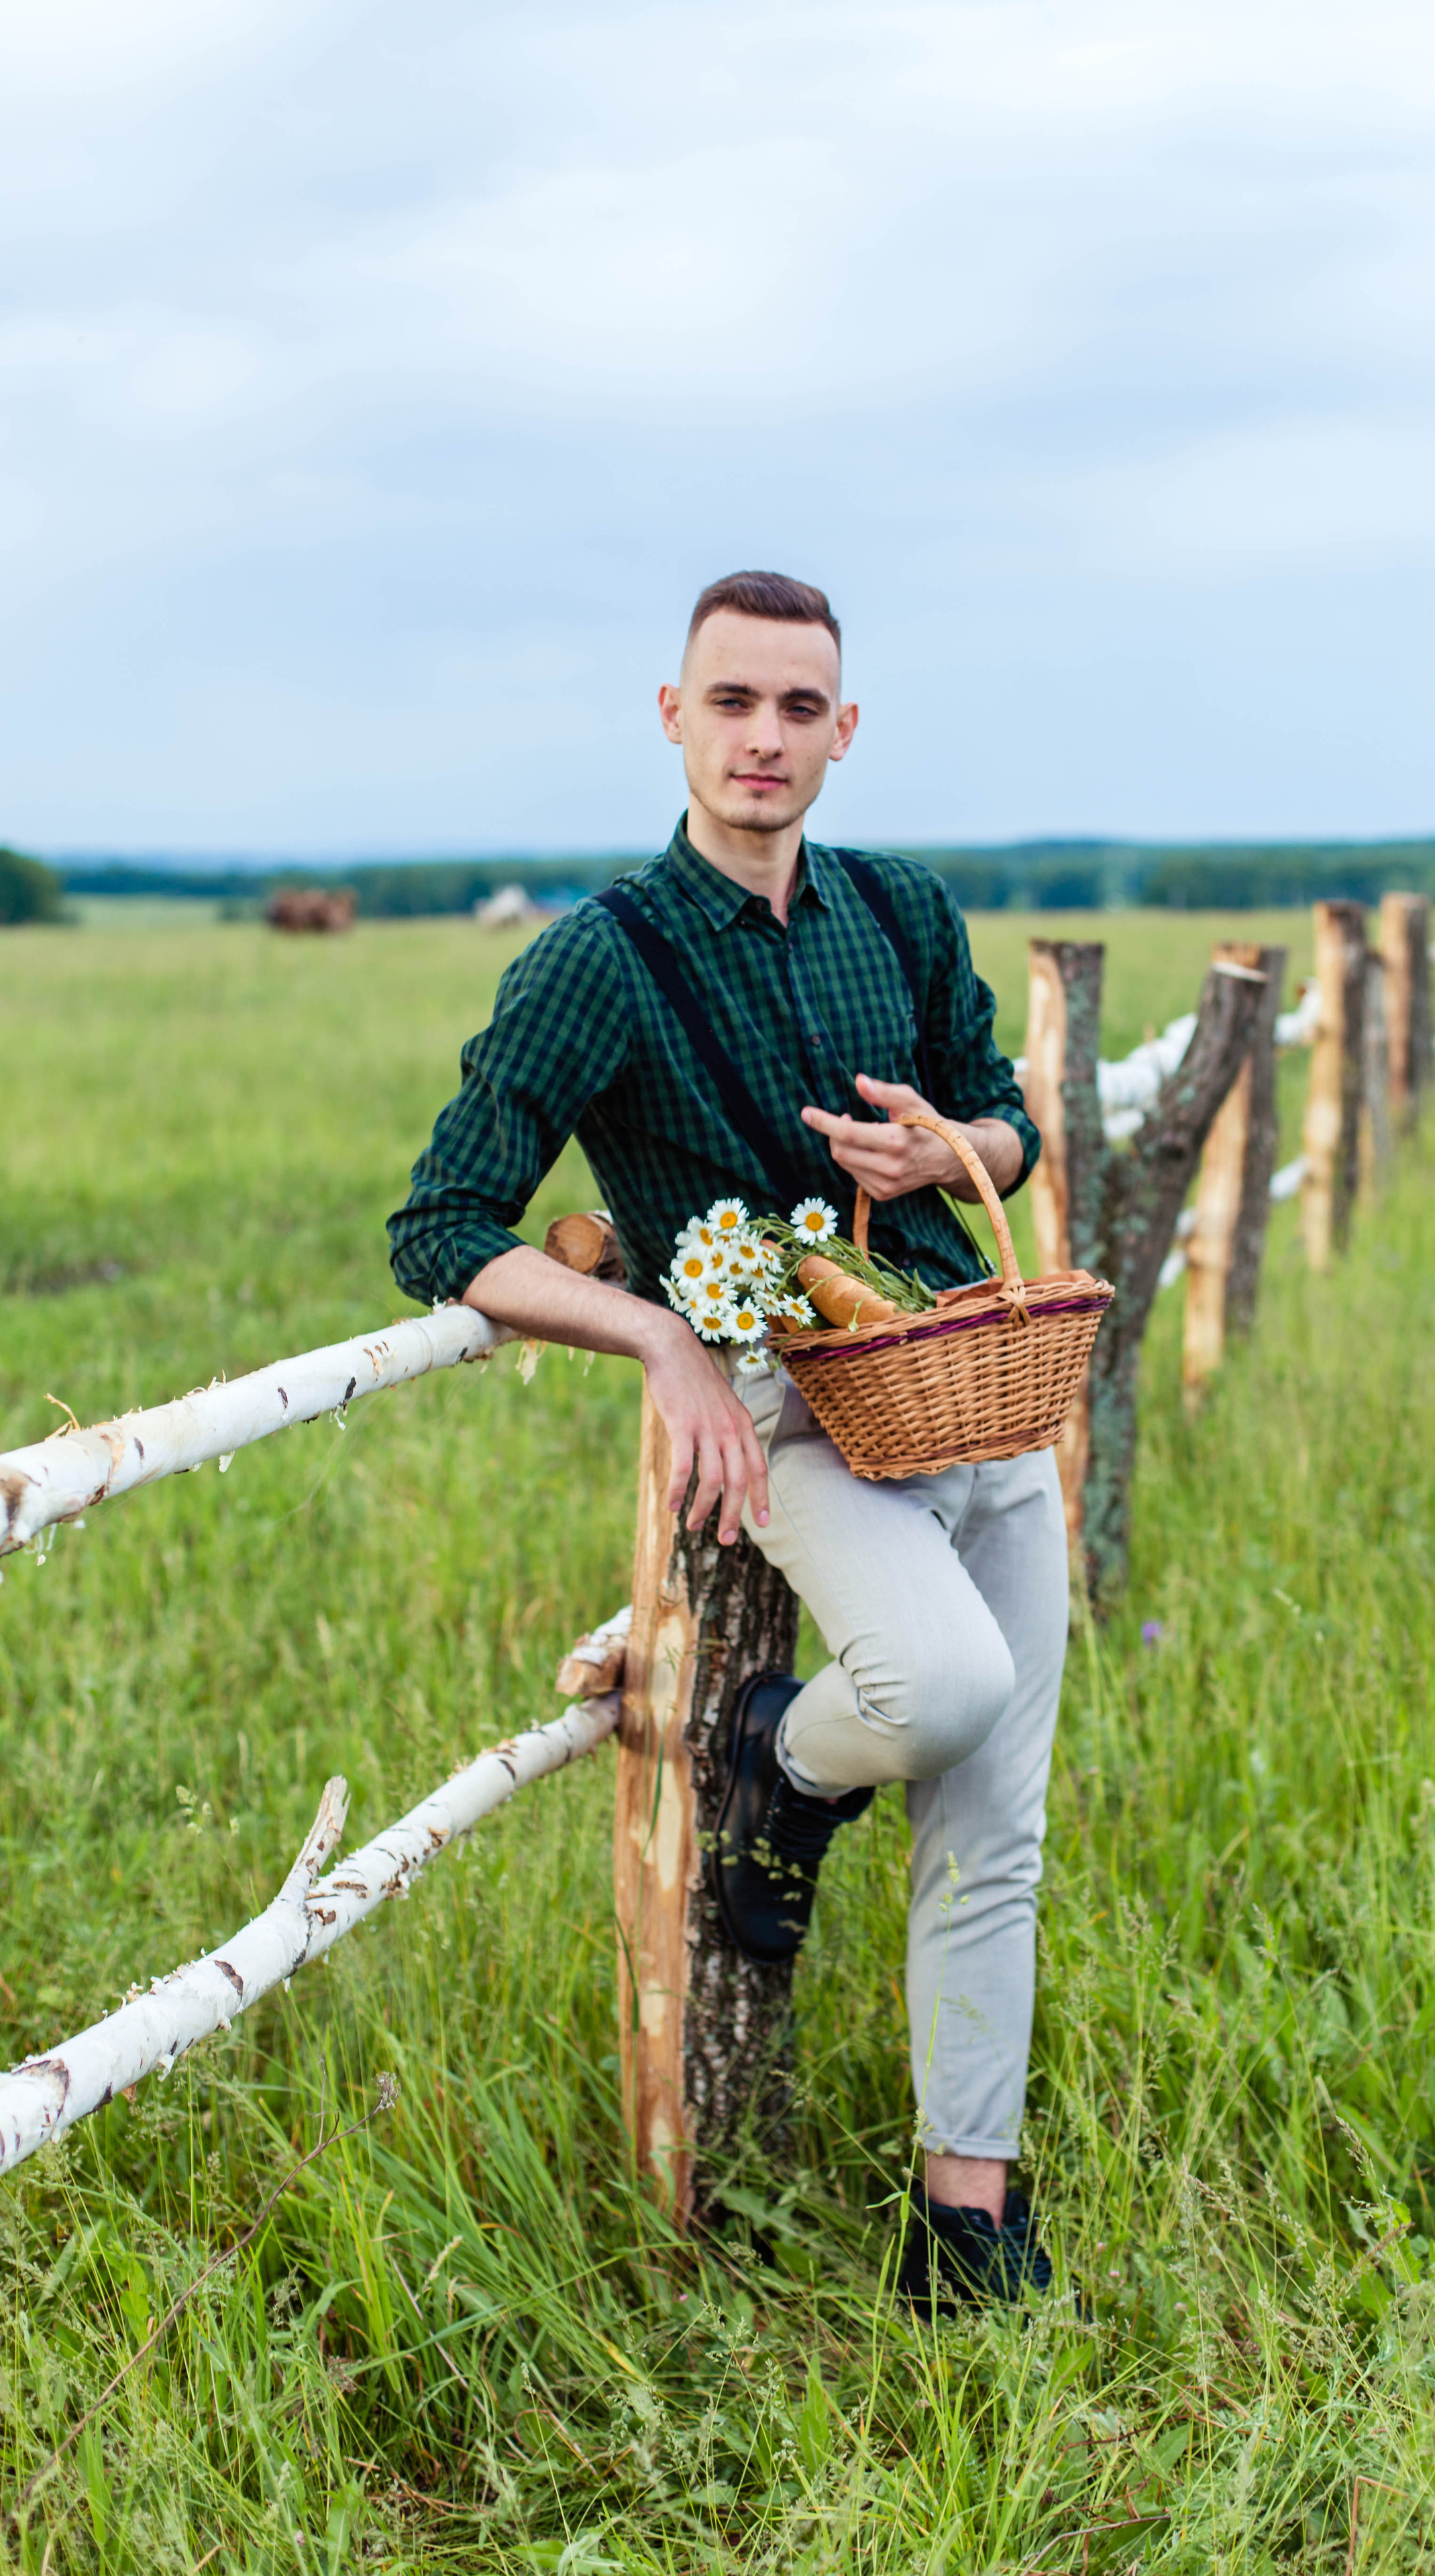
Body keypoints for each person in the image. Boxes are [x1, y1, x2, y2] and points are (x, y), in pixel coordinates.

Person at [388, 570, 1069, 2307]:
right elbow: (444, 1221)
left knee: (1001, 1821)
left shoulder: (901, 912)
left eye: (798, 707)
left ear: (843, 733)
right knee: (943, 1689)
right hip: (800, 1414)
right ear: (675, 717)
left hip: (967, 1372)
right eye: (733, 701)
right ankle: (785, 1759)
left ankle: (966, 2214)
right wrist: (663, 1344)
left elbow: (1010, 1125)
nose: (764, 737)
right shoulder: (593, 964)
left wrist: (957, 1156)